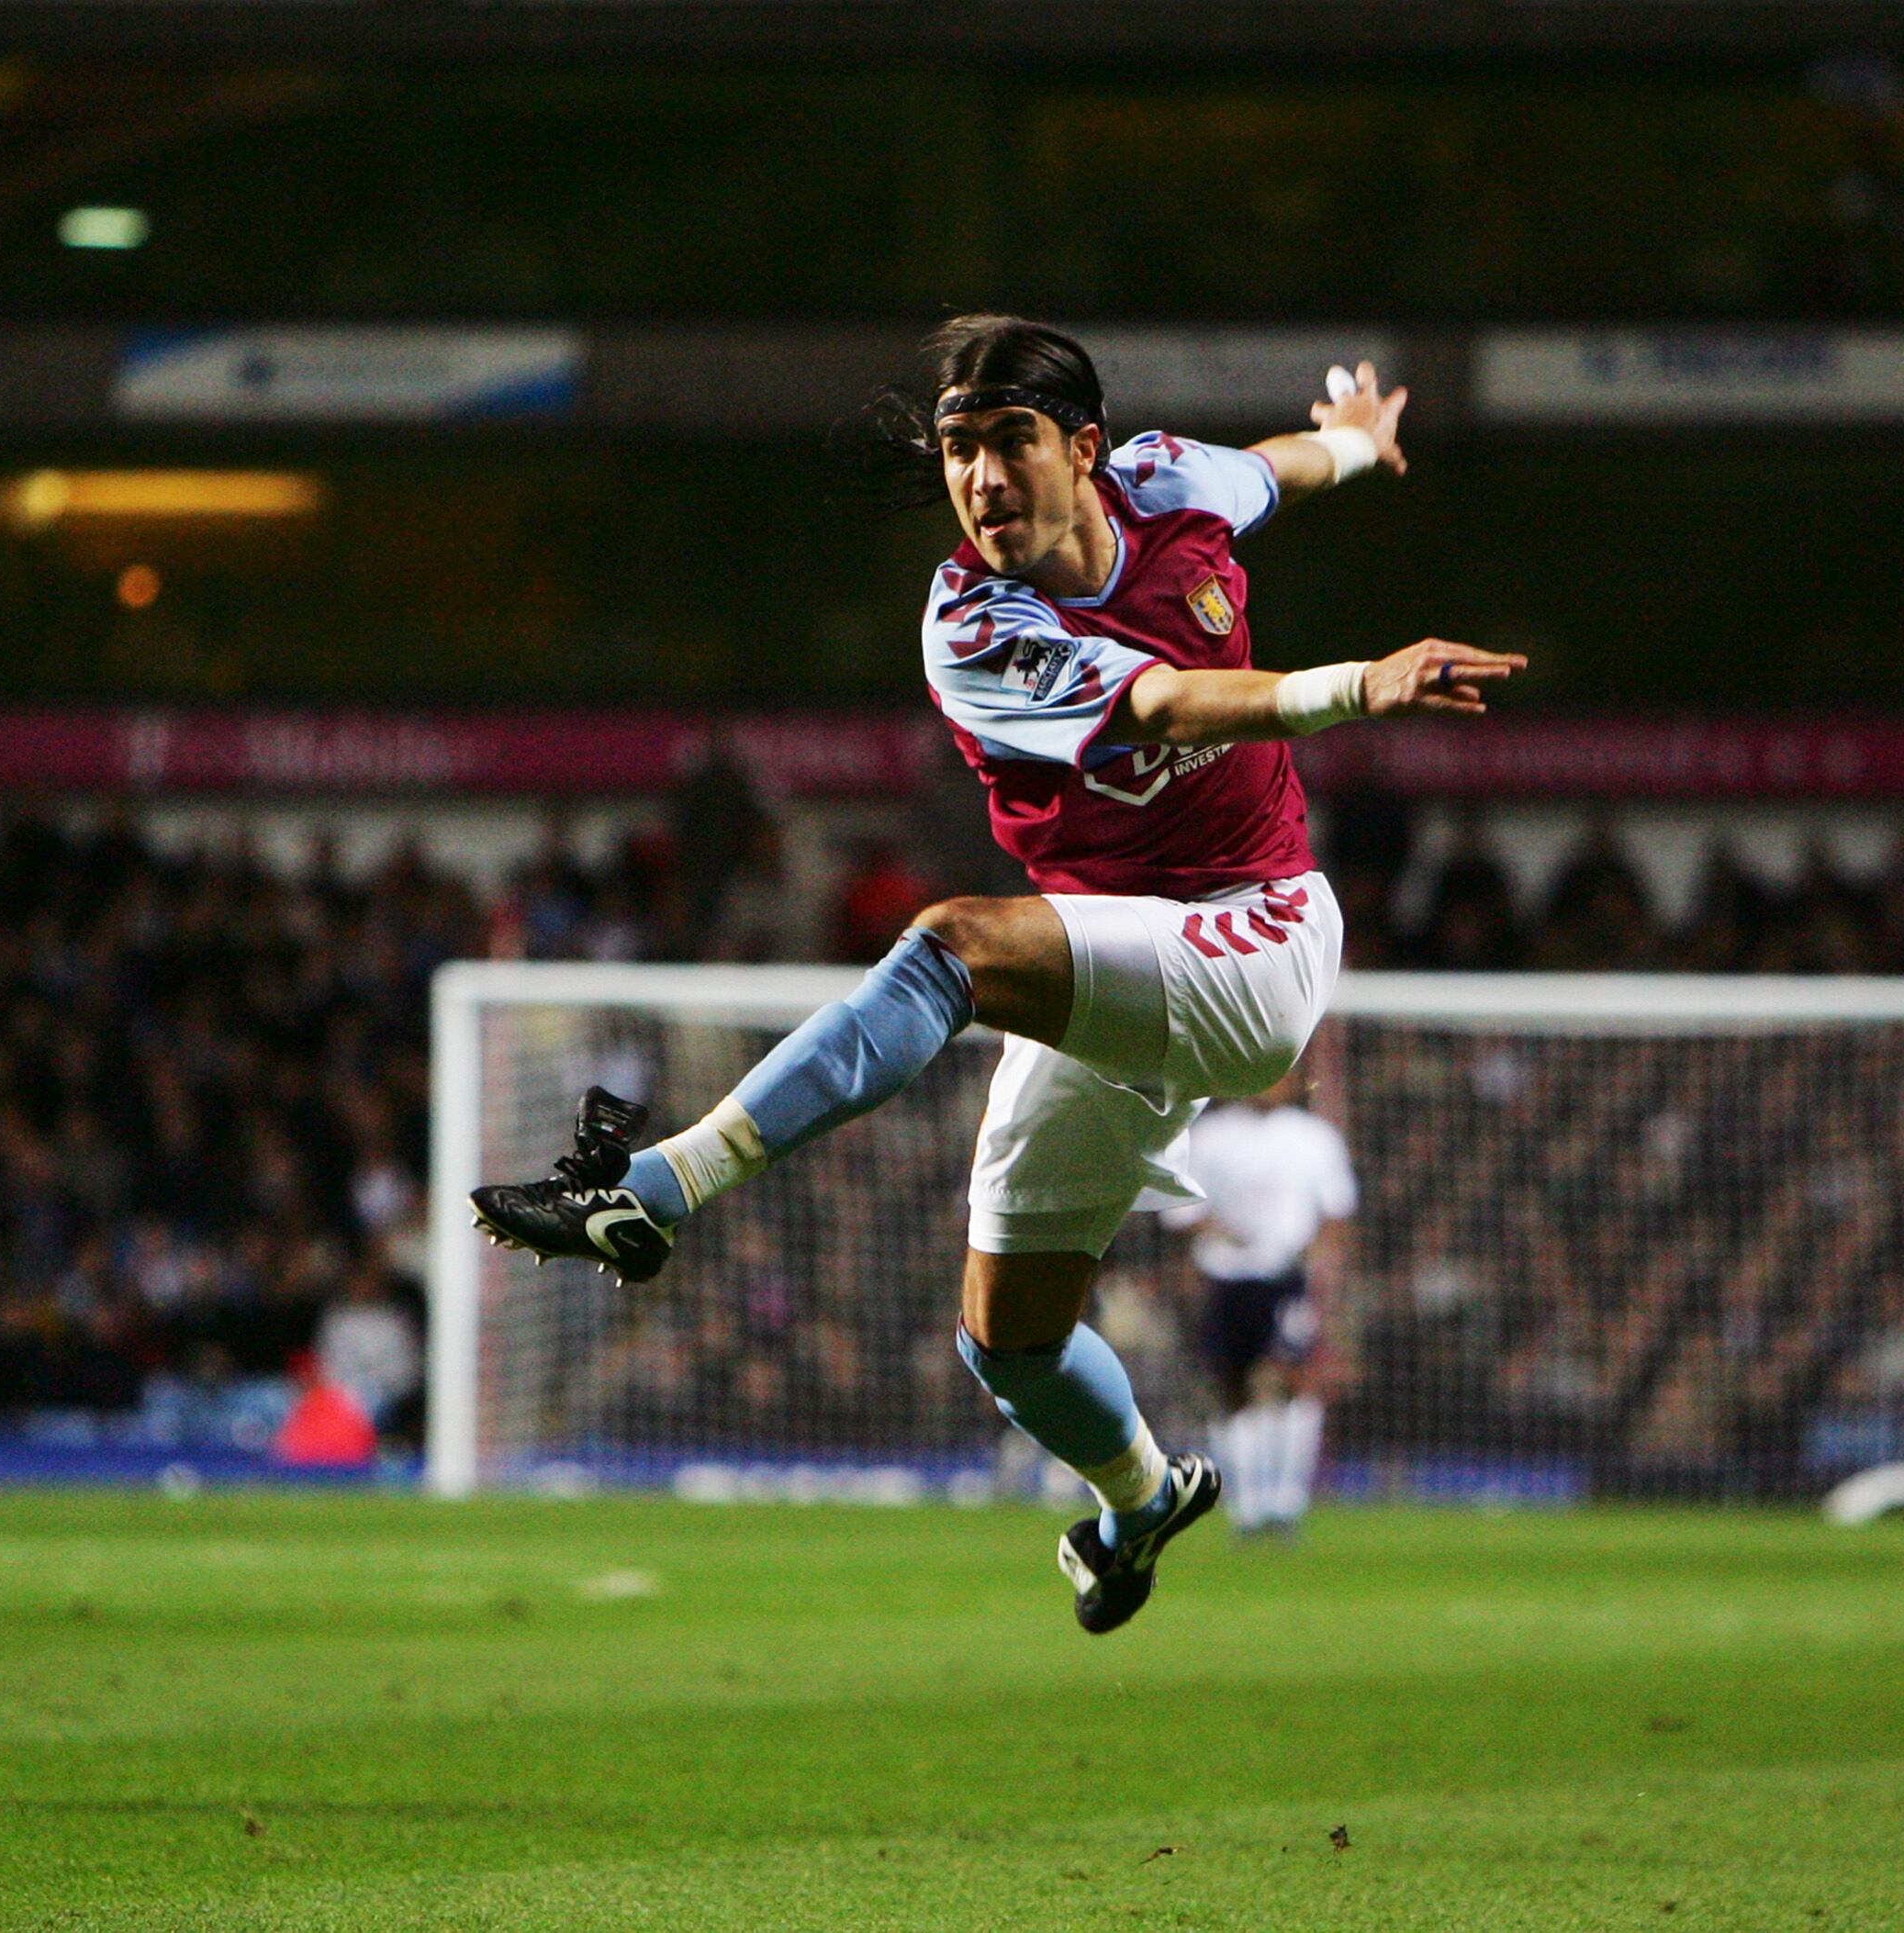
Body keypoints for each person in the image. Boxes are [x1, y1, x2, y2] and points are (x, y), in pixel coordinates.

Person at [472, 315, 1524, 1633]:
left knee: (957, 944)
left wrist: (1354, 445)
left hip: (1256, 933)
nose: (978, 478)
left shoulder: (1167, 482)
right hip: (1115, 964)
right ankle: (1140, 1502)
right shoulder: (972, 625)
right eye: (957, 448)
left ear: (1082, 450)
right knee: (1006, 1341)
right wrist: (1356, 682)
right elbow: (1159, 702)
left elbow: (1276, 470)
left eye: (1007, 441)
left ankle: (653, 1190)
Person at [1162, 1066, 1356, 1538]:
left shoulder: (1313, 1138)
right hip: (1226, 1277)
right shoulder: (1210, 1136)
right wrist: (1219, 1231)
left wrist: (1320, 1259)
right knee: (1231, 1389)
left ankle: (1286, 1503)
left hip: (1285, 1278)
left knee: (1287, 1381)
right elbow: (1179, 1210)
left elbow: (1337, 1210)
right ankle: (1247, 1507)